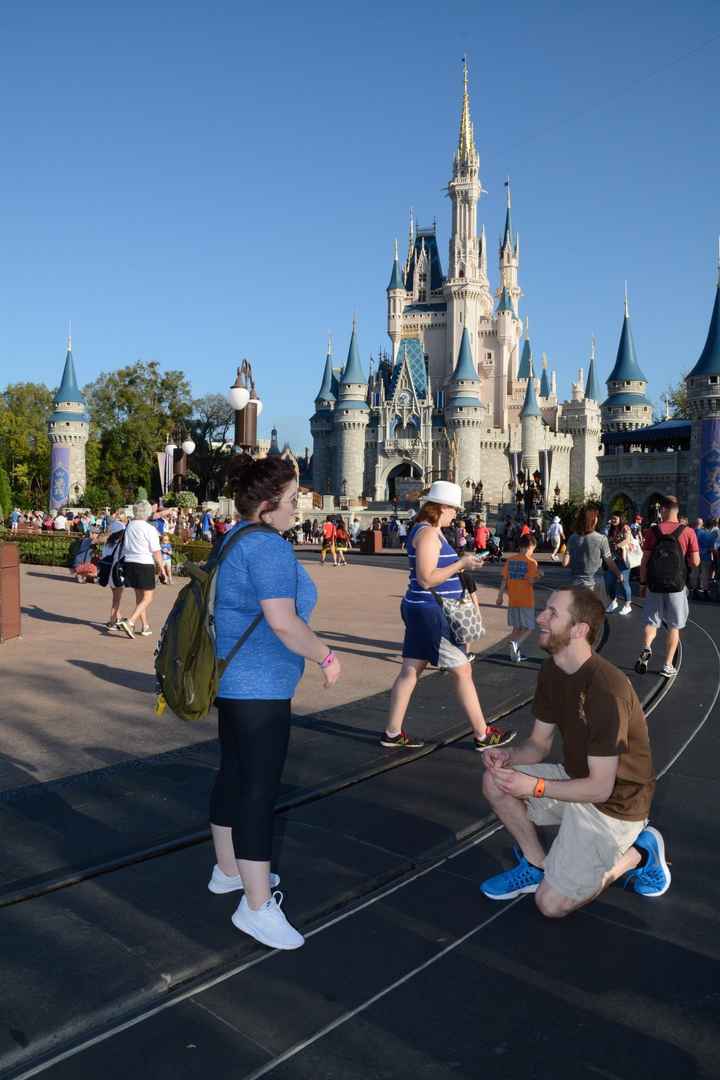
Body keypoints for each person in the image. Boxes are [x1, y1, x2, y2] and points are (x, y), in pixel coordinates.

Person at [209, 454, 341, 950]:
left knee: (234, 775)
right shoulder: (266, 547)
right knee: (258, 792)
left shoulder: (236, 536)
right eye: (291, 499)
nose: (297, 507)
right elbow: (284, 623)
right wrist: (326, 655)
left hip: (234, 683)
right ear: (267, 505)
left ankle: (228, 871)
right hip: (260, 688)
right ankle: (258, 906)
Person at [479, 585, 669, 914]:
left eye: (552, 613)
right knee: (495, 781)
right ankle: (537, 866)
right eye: (545, 609)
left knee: (551, 905)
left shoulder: (606, 691)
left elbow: (600, 788)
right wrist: (509, 757)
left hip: (616, 804)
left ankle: (638, 852)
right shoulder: (553, 669)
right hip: (575, 780)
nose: (540, 616)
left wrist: (536, 786)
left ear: (579, 630)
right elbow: (538, 745)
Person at [383, 480, 516, 752]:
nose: (456, 514)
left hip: (422, 608)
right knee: (463, 670)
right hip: (432, 611)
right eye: (454, 509)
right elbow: (426, 578)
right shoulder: (429, 534)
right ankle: (482, 734)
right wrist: (461, 563)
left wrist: (463, 562)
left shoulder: (429, 531)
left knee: (411, 670)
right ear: (441, 507)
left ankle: (393, 732)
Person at [635, 495, 700, 678]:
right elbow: (695, 562)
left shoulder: (652, 532)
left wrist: (642, 583)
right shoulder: (688, 532)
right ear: (677, 511)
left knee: (651, 622)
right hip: (677, 585)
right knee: (674, 626)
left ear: (662, 509)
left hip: (655, 584)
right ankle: (667, 665)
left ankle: (647, 647)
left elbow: (645, 560)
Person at [116, 501, 168, 639]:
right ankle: (131, 621)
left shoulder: (129, 526)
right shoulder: (149, 529)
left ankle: (145, 626)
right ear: (147, 512)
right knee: (148, 597)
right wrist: (162, 569)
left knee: (140, 597)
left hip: (130, 562)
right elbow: (156, 552)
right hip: (144, 563)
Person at [496, 534, 541, 663]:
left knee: (516, 628)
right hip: (526, 599)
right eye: (533, 549)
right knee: (529, 627)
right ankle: (516, 644)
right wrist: (539, 576)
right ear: (530, 546)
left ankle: (514, 654)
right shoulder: (532, 562)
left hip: (513, 599)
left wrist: (500, 596)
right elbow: (531, 581)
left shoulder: (510, 560)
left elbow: (504, 579)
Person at [563, 505, 623, 593]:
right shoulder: (601, 539)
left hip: (575, 583)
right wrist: (619, 574)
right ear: (594, 520)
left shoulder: (573, 538)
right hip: (595, 583)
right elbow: (609, 560)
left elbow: (565, 563)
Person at [604, 513, 633, 616]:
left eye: (615, 518)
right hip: (613, 559)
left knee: (623, 582)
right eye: (612, 518)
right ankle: (613, 601)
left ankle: (627, 605)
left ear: (620, 518)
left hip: (623, 560)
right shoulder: (611, 529)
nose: (613, 520)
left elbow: (627, 540)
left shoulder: (625, 528)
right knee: (609, 581)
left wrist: (617, 545)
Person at [693, 517, 716, 598]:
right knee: (705, 575)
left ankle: (695, 591)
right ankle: (705, 592)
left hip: (696, 556)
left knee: (695, 573)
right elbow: (712, 548)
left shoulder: (693, 532)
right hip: (706, 557)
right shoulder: (710, 535)